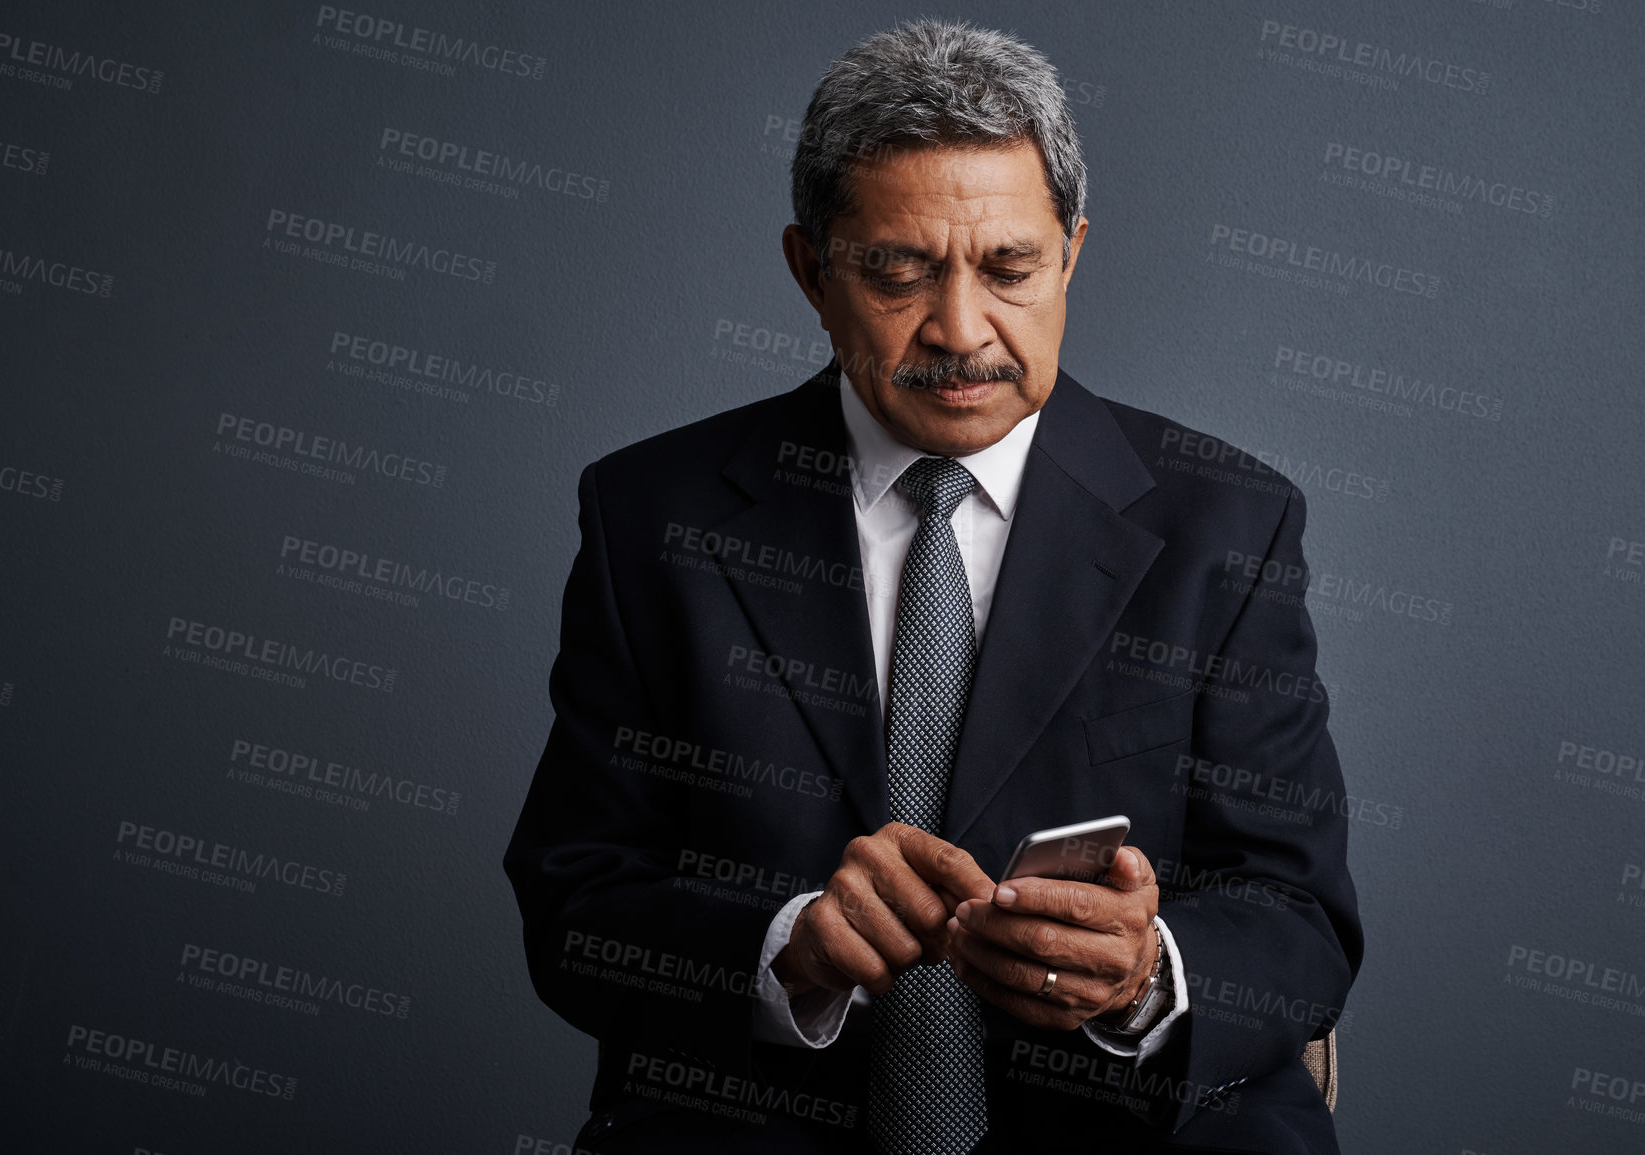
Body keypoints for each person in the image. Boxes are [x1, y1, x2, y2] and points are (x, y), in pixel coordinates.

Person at [504, 17, 1361, 1154]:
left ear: (1070, 253)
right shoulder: (651, 516)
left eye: (1008, 269)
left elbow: (1299, 916)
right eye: (898, 272)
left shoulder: (1227, 521)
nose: (961, 331)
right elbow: (577, 898)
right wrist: (785, 948)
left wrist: (1145, 978)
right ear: (810, 271)